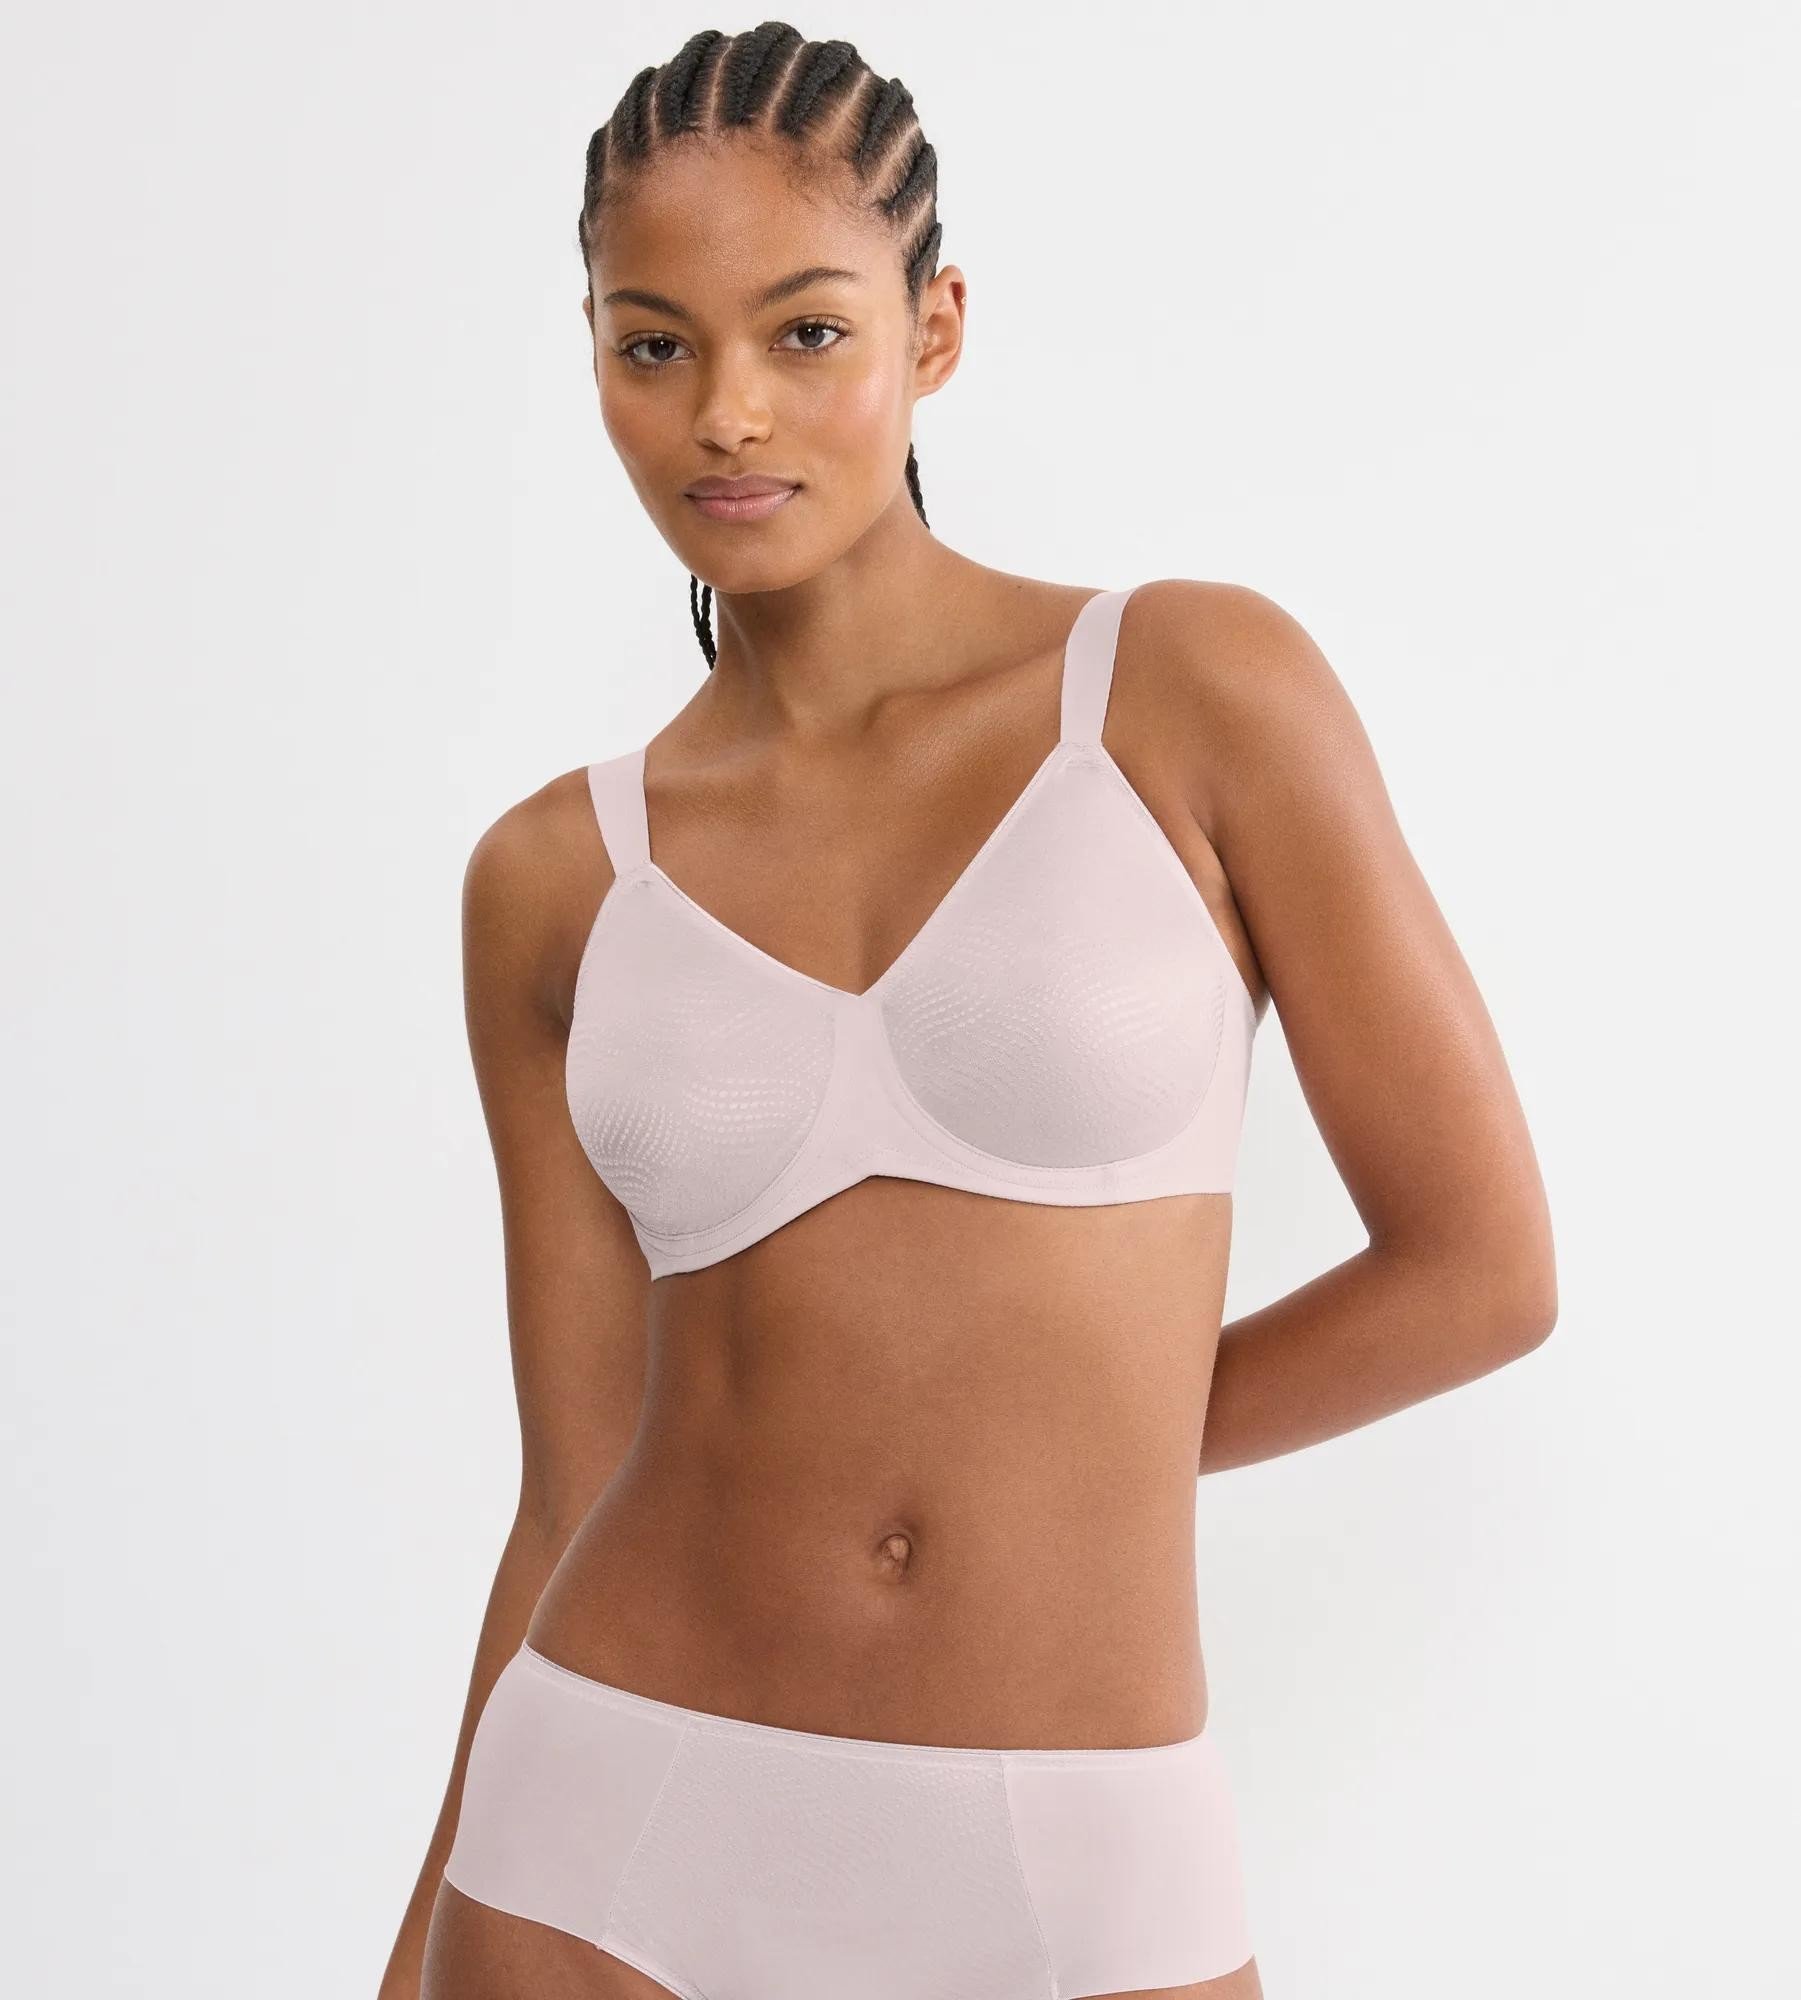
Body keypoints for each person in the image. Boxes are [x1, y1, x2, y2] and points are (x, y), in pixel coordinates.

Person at [381, 22, 1557, 2000]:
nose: (727, 414)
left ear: (932, 330)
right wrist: (415, 1939)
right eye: (654, 345)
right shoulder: (554, 879)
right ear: (591, 358)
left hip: (1076, 1848)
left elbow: (1481, 1270)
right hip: (609, 1827)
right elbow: (574, 1475)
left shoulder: (1186, 695)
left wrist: (1073, 1449)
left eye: (806, 332)